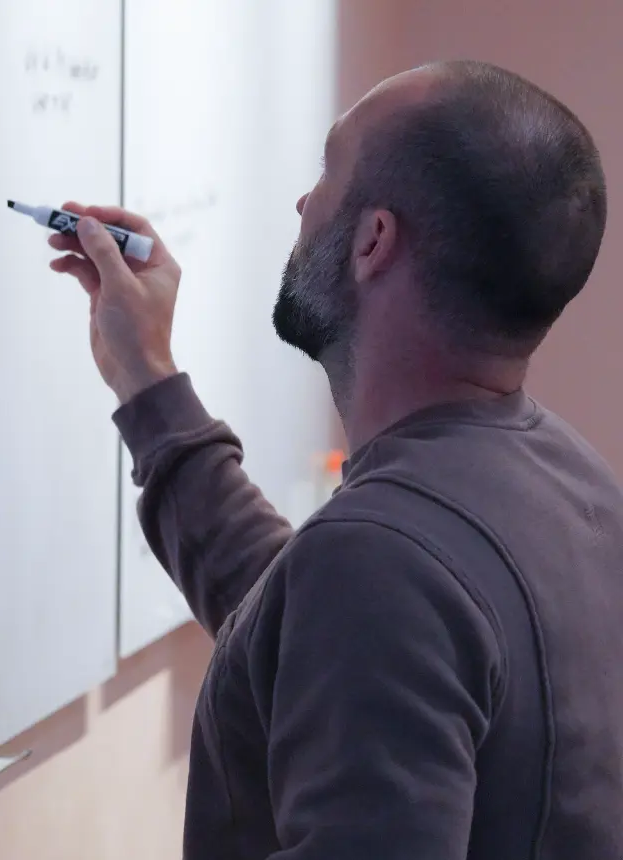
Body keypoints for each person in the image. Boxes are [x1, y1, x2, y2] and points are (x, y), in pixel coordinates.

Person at [50, 60, 622, 859]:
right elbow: (306, 624)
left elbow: (360, 600)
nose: (301, 202)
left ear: (373, 241)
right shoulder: (577, 490)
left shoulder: (382, 562)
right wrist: (146, 377)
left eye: (327, 171)